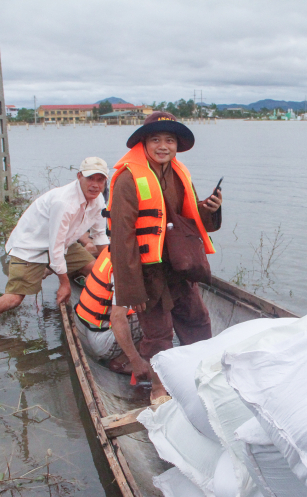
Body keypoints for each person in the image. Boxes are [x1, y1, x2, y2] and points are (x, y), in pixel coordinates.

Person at [106, 111, 222, 405]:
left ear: (176, 145)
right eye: (155, 139)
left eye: (169, 140)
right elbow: (122, 238)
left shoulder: (179, 174)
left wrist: (208, 208)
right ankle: (159, 388)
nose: (163, 146)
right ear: (144, 143)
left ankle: (203, 376)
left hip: (179, 266)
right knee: (158, 333)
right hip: (148, 272)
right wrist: (131, 290)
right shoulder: (128, 180)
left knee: (197, 321)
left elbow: (189, 218)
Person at [0, 158, 110, 319]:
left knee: (97, 269)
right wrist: (64, 284)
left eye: (100, 180)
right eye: (90, 178)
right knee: (14, 299)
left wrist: (110, 268)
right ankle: (46, 268)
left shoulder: (98, 199)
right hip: (30, 247)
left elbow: (100, 236)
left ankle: (49, 270)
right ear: (79, 176)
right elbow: (56, 246)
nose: (95, 185)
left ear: (105, 181)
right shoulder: (64, 202)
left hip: (64, 243)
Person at [74, 247, 143, 375]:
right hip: (106, 343)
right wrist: (136, 361)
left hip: (94, 332)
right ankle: (122, 361)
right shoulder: (126, 264)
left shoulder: (113, 248)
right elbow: (117, 319)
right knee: (159, 313)